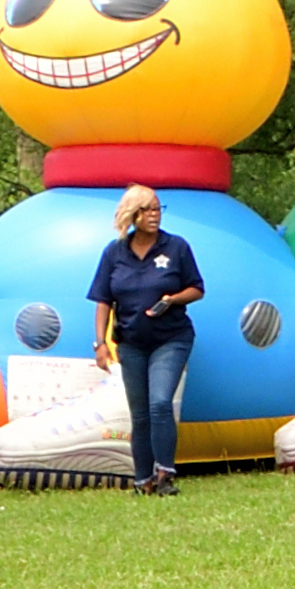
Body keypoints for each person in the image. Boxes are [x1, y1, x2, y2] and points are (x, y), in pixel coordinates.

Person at [86, 185, 206, 496]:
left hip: (171, 339)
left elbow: (197, 288)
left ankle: (165, 473)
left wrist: (174, 299)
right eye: (147, 210)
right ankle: (143, 480)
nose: (154, 215)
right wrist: (100, 344)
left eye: (157, 209)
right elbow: (102, 300)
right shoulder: (114, 252)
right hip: (131, 342)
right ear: (132, 214)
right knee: (139, 413)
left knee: (160, 404)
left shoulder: (176, 247)